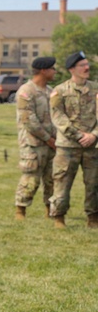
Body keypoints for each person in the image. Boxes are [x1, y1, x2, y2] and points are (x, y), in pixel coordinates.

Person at [48, 51, 98, 229]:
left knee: (94, 183)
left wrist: (94, 135)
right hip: (67, 146)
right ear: (72, 69)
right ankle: (59, 217)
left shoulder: (96, 88)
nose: (87, 67)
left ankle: (93, 217)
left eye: (87, 64)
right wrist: (78, 135)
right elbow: (58, 117)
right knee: (62, 181)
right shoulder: (59, 91)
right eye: (82, 65)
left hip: (93, 146)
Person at [15, 56, 58, 220]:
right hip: (32, 145)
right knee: (30, 179)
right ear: (43, 70)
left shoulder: (50, 91)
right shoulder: (26, 91)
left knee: (52, 179)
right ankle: (21, 211)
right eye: (52, 69)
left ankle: (50, 211)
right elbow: (29, 120)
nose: (55, 71)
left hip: (52, 144)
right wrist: (48, 139)